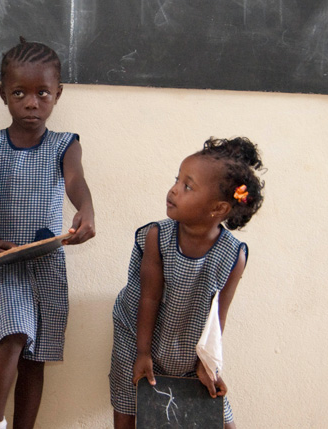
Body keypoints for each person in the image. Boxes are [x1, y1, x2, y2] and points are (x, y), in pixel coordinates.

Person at [0, 38, 96, 429]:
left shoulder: (64, 145)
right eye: (19, 93)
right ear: (3, 94)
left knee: (35, 356)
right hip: (0, 263)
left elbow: (76, 181)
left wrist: (86, 209)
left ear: (57, 94)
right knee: (12, 333)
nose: (31, 103)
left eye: (42, 93)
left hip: (45, 264)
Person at [109, 137, 266, 429]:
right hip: (138, 332)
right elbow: (149, 297)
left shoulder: (234, 255)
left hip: (188, 340)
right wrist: (143, 353)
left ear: (218, 209)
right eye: (177, 180)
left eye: (188, 186)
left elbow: (218, 317)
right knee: (130, 401)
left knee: (219, 417)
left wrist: (208, 364)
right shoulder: (158, 236)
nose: (174, 190)